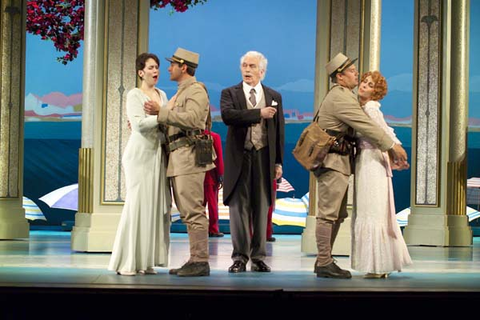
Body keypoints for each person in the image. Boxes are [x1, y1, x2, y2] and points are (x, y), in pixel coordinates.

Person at [313, 53, 409, 279]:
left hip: (342, 161)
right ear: (340, 76)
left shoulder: (349, 97)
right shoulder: (341, 97)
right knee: (329, 213)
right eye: (353, 72)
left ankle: (324, 261)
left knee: (337, 214)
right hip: (332, 161)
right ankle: (324, 262)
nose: (357, 75)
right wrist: (392, 147)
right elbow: (366, 125)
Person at [144, 47, 215, 277]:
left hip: (189, 157)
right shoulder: (181, 92)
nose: (168, 68)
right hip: (179, 157)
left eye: (172, 64)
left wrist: (160, 113)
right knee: (187, 211)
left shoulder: (195, 91)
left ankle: (200, 261)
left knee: (193, 211)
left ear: (183, 67)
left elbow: (194, 120)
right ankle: (195, 258)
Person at [221, 51, 285, 273]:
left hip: (263, 157)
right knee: (238, 208)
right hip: (240, 157)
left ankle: (258, 257)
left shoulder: (274, 96)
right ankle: (239, 257)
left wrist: (278, 162)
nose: (247, 70)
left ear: (262, 71)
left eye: (252, 66)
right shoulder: (230, 93)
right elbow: (229, 116)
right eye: (244, 65)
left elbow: (279, 133)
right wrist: (259, 113)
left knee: (261, 207)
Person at [108, 53, 171, 276]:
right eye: (151, 67)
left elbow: (162, 125)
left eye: (158, 67)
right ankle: (128, 261)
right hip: (139, 155)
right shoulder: (134, 94)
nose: (156, 71)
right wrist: (164, 117)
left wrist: (164, 117)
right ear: (141, 72)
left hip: (157, 154)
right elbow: (138, 125)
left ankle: (146, 262)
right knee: (137, 205)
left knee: (153, 208)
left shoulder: (162, 94)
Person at [351, 71, 412, 278]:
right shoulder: (365, 108)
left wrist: (397, 155)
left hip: (371, 161)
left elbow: (384, 134)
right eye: (364, 82)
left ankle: (377, 265)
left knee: (373, 210)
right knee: (374, 210)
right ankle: (380, 264)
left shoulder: (370, 109)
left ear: (376, 92)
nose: (364, 86)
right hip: (367, 160)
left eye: (369, 85)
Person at [204, 127, 224, 238]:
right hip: (211, 175)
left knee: (198, 205)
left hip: (195, 176)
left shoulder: (191, 137)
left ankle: (199, 229)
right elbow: (219, 158)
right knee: (212, 204)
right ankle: (213, 229)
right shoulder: (214, 137)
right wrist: (220, 174)